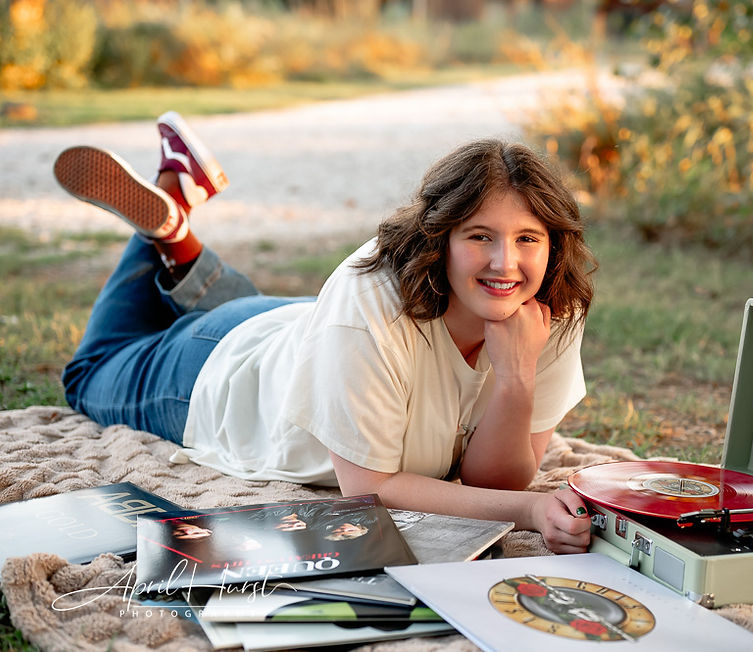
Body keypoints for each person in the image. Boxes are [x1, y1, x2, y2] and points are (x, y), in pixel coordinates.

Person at [54, 112, 597, 554]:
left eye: (528, 237)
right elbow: (371, 488)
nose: (507, 263)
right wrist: (528, 510)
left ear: (553, 245)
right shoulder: (369, 305)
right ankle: (169, 214)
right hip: (220, 372)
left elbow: (491, 483)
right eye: (481, 235)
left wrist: (515, 378)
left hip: (307, 328)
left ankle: (177, 235)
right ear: (439, 238)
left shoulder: (550, 304)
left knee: (289, 313)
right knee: (88, 374)